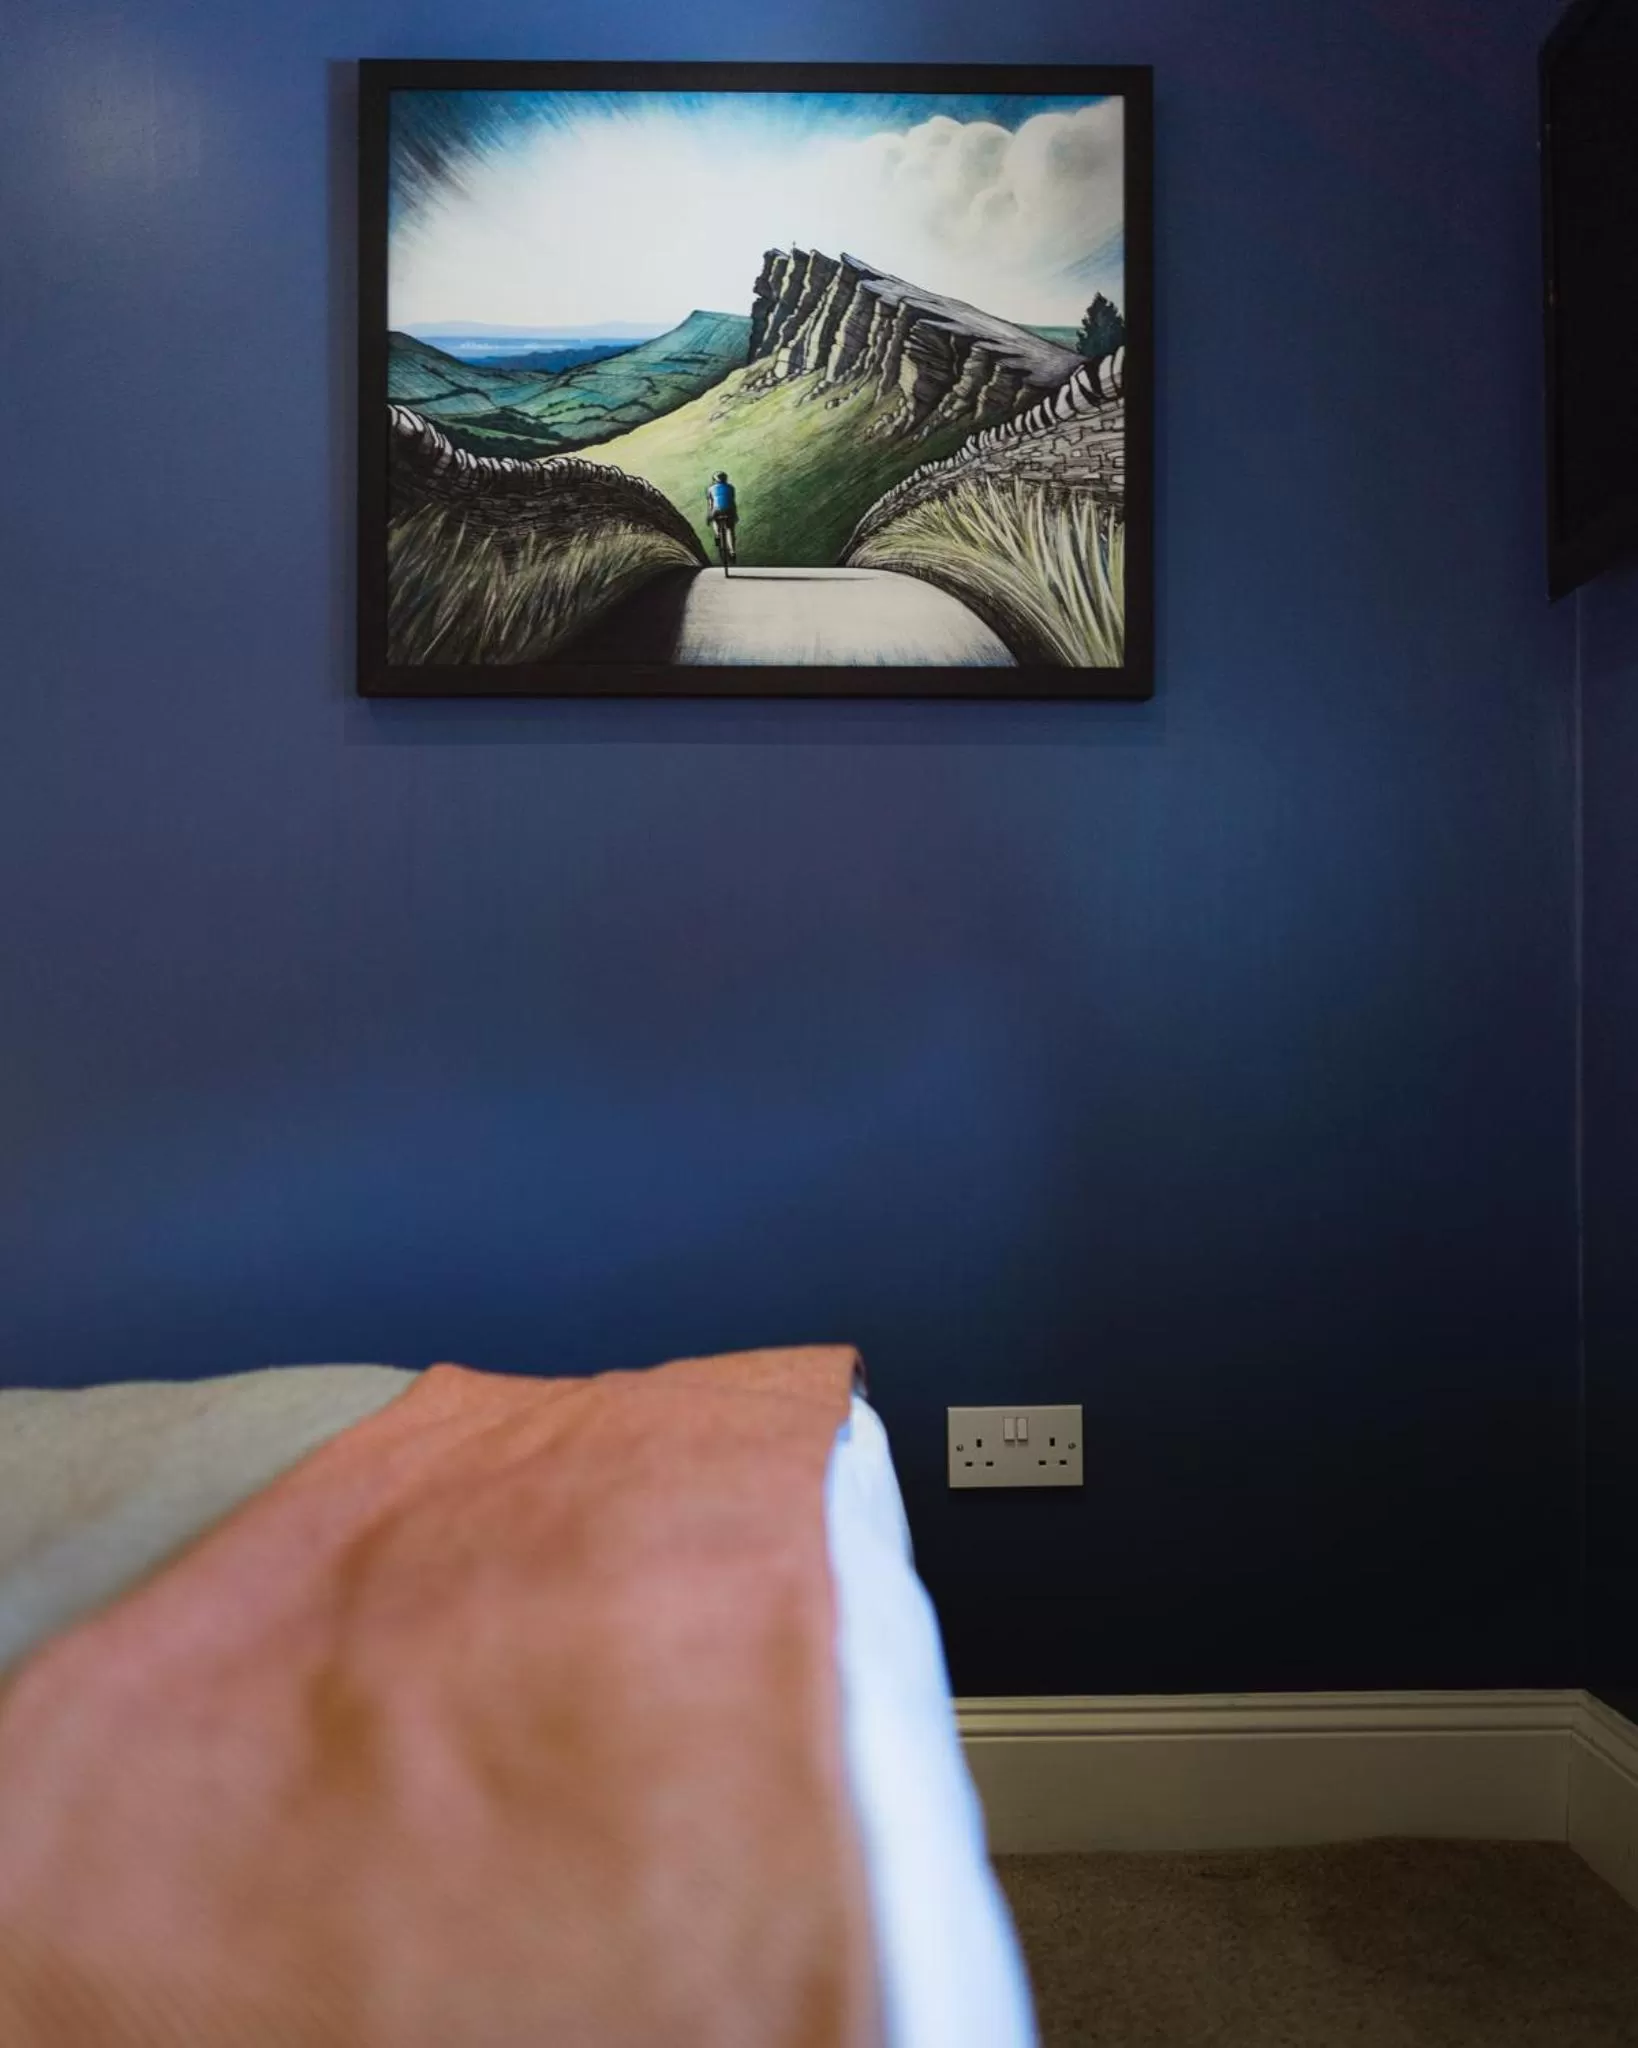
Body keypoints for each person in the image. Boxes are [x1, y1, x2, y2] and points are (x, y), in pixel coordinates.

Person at [705, 471, 738, 570]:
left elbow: (711, 504)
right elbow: (732, 502)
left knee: (714, 519)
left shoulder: (710, 489)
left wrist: (709, 517)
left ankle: (717, 535)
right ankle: (732, 552)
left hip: (717, 510)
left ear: (715, 480)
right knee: (730, 530)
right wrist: (735, 515)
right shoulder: (731, 488)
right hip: (729, 510)